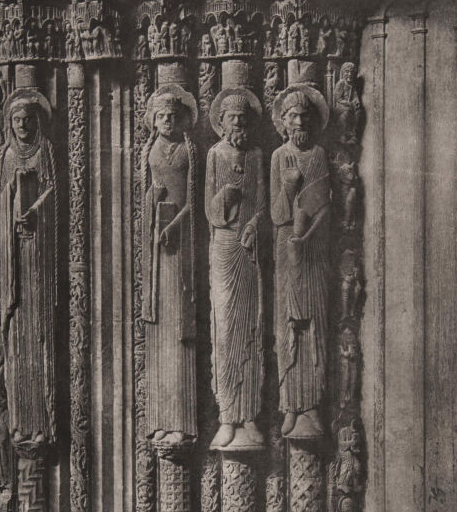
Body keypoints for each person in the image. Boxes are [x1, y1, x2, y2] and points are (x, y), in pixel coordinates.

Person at [270, 83, 331, 440]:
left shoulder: (319, 154)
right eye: (293, 115)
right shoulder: (280, 157)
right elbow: (278, 214)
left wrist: (307, 238)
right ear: (284, 121)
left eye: (305, 115)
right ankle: (290, 405)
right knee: (289, 323)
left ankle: (312, 405)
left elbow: (324, 208)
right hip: (285, 245)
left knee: (314, 323)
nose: (300, 120)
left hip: (314, 246)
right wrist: (290, 189)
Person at [206, 88, 265, 450]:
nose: (239, 122)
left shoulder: (258, 156)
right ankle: (227, 416)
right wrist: (224, 198)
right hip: (224, 246)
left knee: (251, 330)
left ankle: (250, 415)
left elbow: (263, 202)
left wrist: (255, 224)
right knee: (226, 330)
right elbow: (209, 209)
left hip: (249, 247)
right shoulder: (215, 155)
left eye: (244, 118)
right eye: (232, 118)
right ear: (223, 123)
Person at [0, 89, 57, 446]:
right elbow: (3, 195)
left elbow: (52, 188)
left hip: (39, 254)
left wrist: (34, 209)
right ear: (10, 123)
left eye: (28, 120)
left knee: (38, 336)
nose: (22, 126)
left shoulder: (44, 149)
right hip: (15, 256)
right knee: (19, 341)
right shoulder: (7, 155)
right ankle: (21, 422)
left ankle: (41, 424)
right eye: (17, 121)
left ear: (37, 121)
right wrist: (12, 205)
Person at [142, 85, 198, 444]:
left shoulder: (190, 151)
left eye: (173, 116)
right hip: (156, 253)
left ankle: (182, 422)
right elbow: (146, 195)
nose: (167, 121)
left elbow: (193, 202)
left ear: (182, 120)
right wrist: (152, 199)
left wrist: (173, 226)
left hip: (180, 249)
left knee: (179, 332)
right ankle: (161, 419)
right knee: (159, 334)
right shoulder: (150, 151)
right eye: (161, 116)